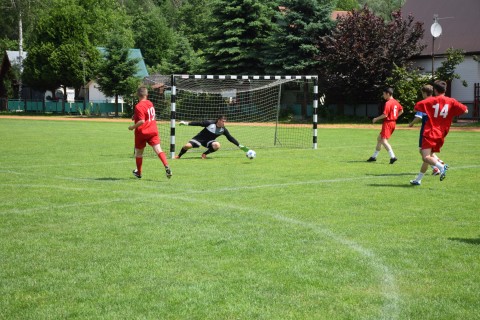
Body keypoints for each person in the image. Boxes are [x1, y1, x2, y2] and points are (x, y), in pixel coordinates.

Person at [409, 80, 468, 185]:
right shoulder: (451, 101)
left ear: (435, 90)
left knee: (425, 157)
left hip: (430, 131)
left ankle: (441, 166)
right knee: (429, 156)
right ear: (445, 90)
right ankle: (418, 180)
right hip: (442, 132)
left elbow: (417, 106)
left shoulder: (431, 101)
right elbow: (465, 110)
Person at [128, 87, 172, 179]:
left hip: (142, 132)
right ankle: (166, 165)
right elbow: (147, 114)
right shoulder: (150, 103)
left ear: (138, 95)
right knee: (159, 150)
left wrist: (132, 127)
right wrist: (135, 116)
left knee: (139, 153)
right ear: (146, 95)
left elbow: (142, 121)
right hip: (153, 130)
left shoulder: (138, 106)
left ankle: (139, 173)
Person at [408, 84, 443, 179]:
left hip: (426, 130)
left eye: (422, 93)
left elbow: (418, 117)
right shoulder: (438, 102)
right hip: (437, 129)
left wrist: (411, 124)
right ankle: (436, 166)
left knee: (423, 152)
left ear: (424, 93)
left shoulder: (425, 103)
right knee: (428, 152)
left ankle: (438, 165)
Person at [175, 115, 243, 159]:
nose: (224, 123)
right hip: (199, 138)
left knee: (217, 145)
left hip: (209, 141)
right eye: (223, 121)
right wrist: (186, 123)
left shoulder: (223, 130)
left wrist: (239, 145)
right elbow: (198, 123)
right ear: (219, 120)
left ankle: (204, 154)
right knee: (187, 146)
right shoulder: (210, 123)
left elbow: (230, 138)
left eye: (225, 122)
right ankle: (179, 156)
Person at [367, 87, 404, 164]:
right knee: (379, 139)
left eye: (384, 94)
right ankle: (374, 157)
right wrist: (395, 117)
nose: (383, 95)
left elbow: (385, 115)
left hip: (388, 123)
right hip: (393, 123)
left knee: (383, 140)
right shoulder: (395, 102)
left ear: (388, 94)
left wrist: (376, 119)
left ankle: (393, 157)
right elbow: (401, 110)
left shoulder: (388, 103)